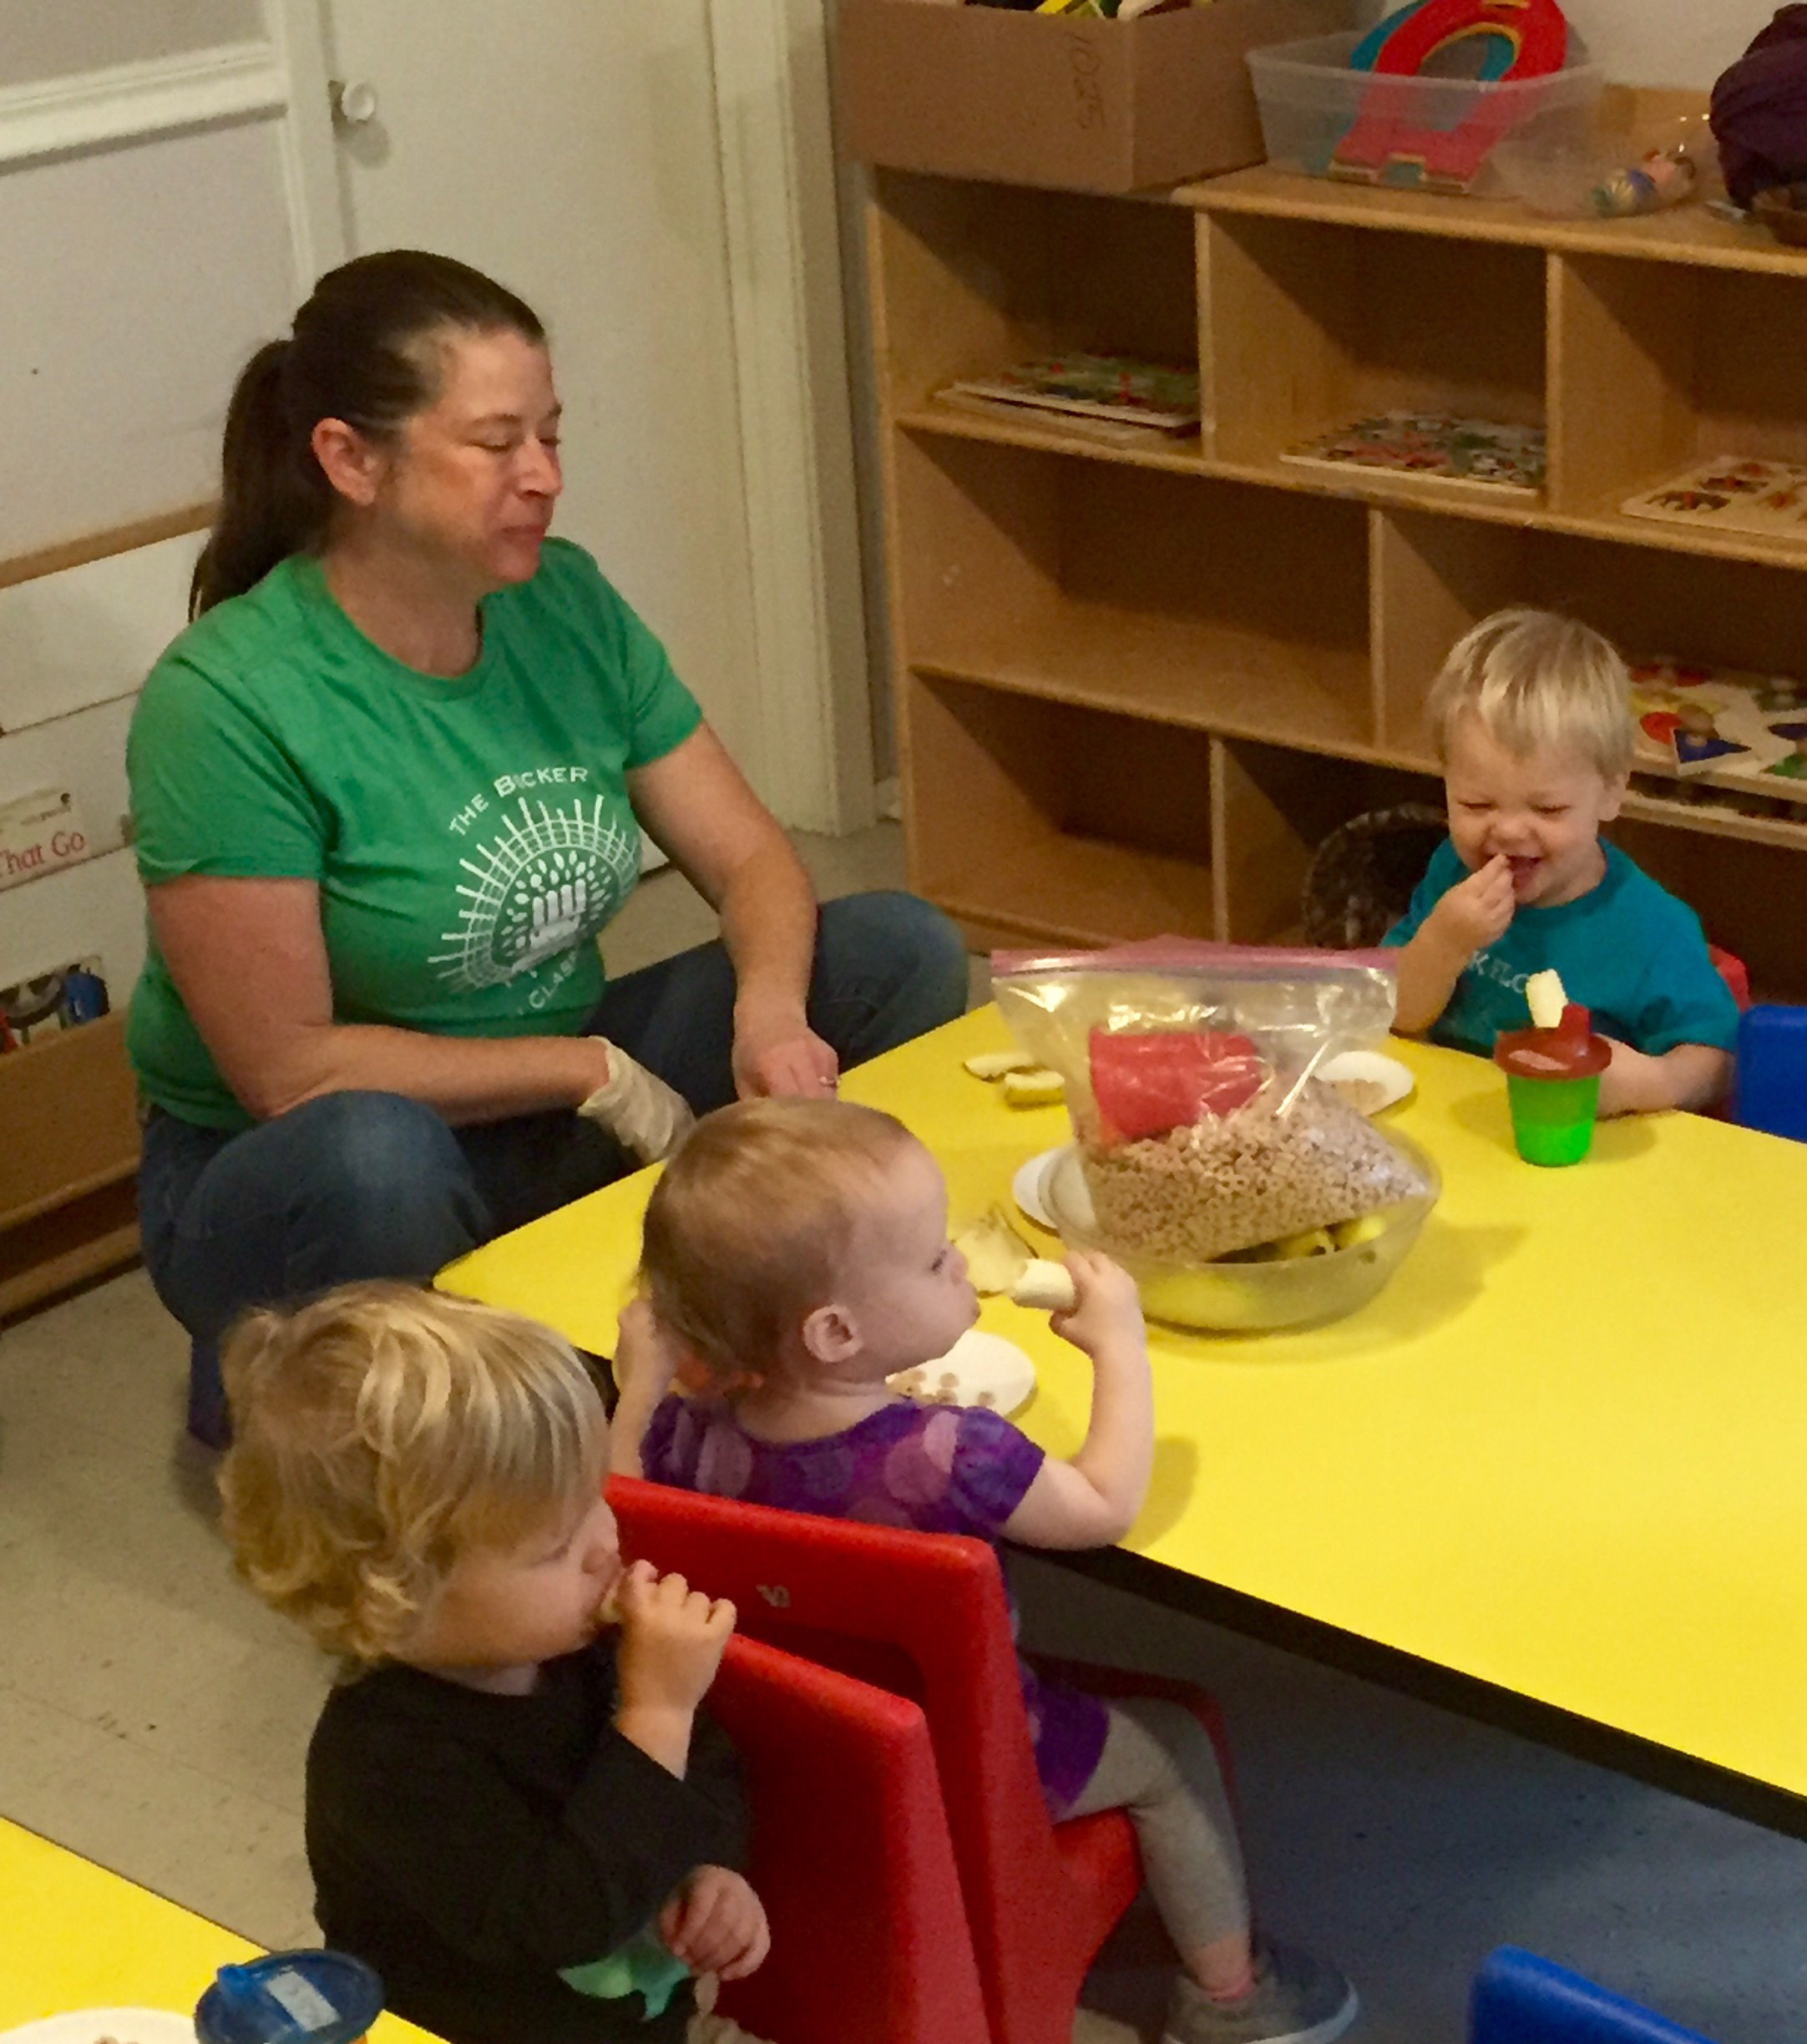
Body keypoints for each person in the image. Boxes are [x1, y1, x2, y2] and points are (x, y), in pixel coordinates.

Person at [129, 250, 968, 1447]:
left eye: (552, 435)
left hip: (538, 1102)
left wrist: (772, 1016)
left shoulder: (562, 601)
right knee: (376, 1158)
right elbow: (290, 1073)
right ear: (351, 461)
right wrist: (591, 1073)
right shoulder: (226, 700)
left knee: (897, 947)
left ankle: (769, 1337)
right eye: (495, 444)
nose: (543, 477)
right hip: (296, 1160)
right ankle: (306, 1360)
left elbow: (751, 860)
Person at [608, 1099, 1359, 2044]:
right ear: (835, 1335)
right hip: (969, 1762)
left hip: (789, 1754)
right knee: (1173, 1750)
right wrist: (1120, 1346)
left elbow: (620, 1506)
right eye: (933, 1260)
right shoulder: (950, 1454)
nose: (961, 1262)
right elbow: (1104, 1506)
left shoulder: (686, 1439)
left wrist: (638, 1388)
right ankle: (1230, 2001)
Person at [218, 1283, 768, 2044]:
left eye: (595, 1501)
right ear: (399, 1597)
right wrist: (658, 1712)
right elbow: (565, 1920)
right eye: (556, 1547)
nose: (606, 1545)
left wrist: (710, 1872)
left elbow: (705, 1766)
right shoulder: (388, 1762)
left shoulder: (579, 1644)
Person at [1385, 610, 1739, 1115]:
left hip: (1577, 1139)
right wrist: (1443, 943)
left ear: (1611, 792)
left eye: (1547, 809)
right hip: (1456, 1121)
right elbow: (1397, 1014)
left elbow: (1719, 1060)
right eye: (1476, 805)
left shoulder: (1652, 928)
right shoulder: (1453, 875)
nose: (1508, 832)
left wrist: (1652, 1082)